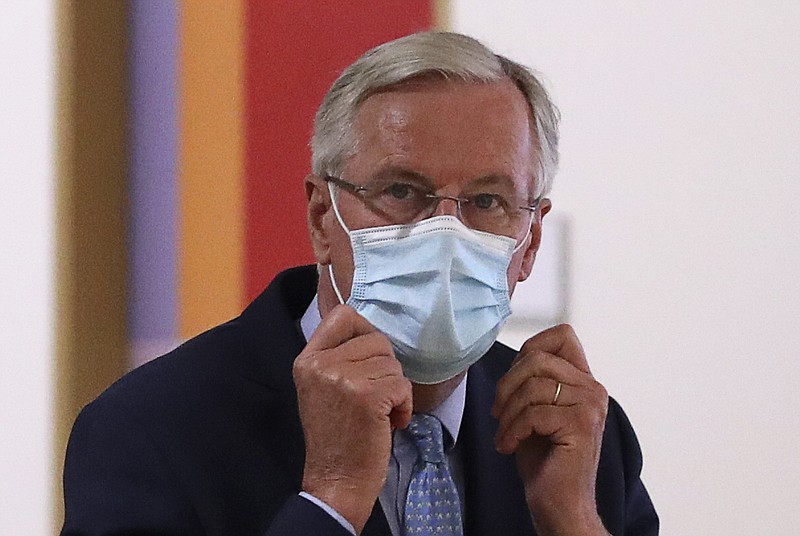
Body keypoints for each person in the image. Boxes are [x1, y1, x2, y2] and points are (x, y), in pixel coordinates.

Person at [61, 32, 658, 536]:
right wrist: (330, 501)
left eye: (487, 200)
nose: (445, 233)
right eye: (401, 191)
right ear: (323, 216)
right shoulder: (150, 432)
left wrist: (575, 520)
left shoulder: (581, 439)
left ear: (529, 239)